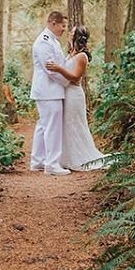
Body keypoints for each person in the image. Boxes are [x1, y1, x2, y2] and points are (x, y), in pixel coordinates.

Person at [46, 26, 108, 171]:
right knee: (66, 125)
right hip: (65, 94)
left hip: (74, 95)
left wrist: (58, 69)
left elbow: (75, 78)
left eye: (72, 33)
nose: (68, 34)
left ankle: (79, 157)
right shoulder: (71, 53)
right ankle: (64, 158)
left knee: (75, 125)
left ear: (77, 37)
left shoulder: (82, 56)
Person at [29, 11, 72, 176]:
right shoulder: (44, 42)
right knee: (53, 127)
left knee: (43, 126)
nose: (63, 29)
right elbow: (51, 70)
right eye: (62, 25)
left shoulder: (52, 41)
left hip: (49, 91)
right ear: (53, 23)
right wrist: (68, 82)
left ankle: (38, 161)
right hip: (49, 91)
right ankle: (52, 164)